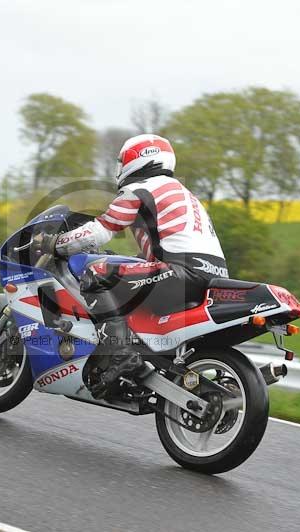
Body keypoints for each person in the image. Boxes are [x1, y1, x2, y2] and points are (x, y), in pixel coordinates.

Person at [49, 134, 228, 398]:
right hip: (211, 276)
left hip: (181, 272)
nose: (119, 168)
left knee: (97, 273)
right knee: (127, 280)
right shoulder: (184, 193)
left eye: (122, 161)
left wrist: (57, 243)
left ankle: (119, 355)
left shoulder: (142, 188)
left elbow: (102, 230)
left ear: (137, 160)